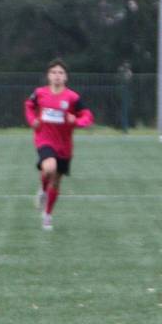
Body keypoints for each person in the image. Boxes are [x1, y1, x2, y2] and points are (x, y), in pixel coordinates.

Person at [24, 58, 93, 230]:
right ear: (48, 76)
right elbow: (29, 106)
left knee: (56, 181)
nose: (57, 76)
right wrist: (33, 120)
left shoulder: (72, 97)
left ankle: (47, 215)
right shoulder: (40, 93)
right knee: (49, 168)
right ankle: (42, 188)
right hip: (44, 140)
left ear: (66, 77)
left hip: (64, 146)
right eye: (54, 72)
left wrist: (75, 121)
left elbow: (87, 116)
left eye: (60, 73)